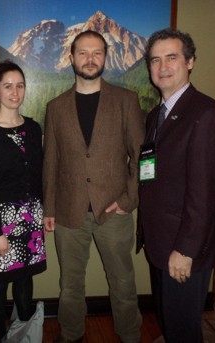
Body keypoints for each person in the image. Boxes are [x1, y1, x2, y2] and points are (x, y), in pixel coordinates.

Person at [43, 30, 144, 343]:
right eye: (83, 53)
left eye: (97, 52)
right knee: (70, 286)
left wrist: (129, 199)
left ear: (105, 57)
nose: (90, 59)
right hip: (68, 213)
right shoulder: (55, 107)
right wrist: (49, 207)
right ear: (71, 58)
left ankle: (130, 336)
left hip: (114, 211)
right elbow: (51, 162)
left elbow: (141, 157)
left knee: (124, 283)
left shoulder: (126, 101)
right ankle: (71, 335)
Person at [137, 28, 215, 343]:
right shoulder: (156, 115)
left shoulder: (204, 113)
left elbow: (204, 194)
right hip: (161, 243)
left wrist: (185, 250)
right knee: (169, 323)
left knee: (183, 331)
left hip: (184, 248)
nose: (162, 66)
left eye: (172, 57)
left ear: (190, 62)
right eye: (155, 59)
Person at [0, 60, 47, 342]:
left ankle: (25, 334)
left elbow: (39, 175)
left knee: (25, 278)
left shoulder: (33, 128)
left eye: (20, 86)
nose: (15, 92)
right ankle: (1, 336)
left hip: (31, 216)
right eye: (8, 86)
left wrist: (44, 211)